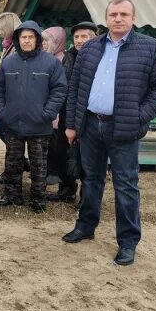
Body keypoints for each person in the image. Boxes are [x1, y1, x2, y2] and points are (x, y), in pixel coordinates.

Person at [62, 0, 156, 266]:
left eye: (124, 14)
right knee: (91, 179)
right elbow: (75, 88)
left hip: (124, 127)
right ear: (106, 18)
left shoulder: (150, 48)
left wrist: (138, 116)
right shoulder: (90, 48)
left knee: (126, 185)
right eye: (113, 14)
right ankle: (86, 225)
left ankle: (127, 242)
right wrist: (71, 124)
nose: (118, 18)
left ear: (133, 18)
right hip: (90, 125)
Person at [0, 21, 66, 213]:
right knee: (12, 162)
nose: (26, 41)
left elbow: (59, 90)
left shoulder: (50, 63)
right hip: (13, 123)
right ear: (18, 39)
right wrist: (2, 112)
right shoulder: (9, 62)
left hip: (40, 125)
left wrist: (48, 113)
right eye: (23, 37)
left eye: (30, 37)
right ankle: (12, 195)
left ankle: (38, 198)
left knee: (39, 165)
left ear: (37, 39)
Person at [47, 21, 98, 203]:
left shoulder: (100, 58)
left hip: (88, 116)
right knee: (63, 153)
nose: (79, 40)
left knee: (87, 159)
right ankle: (66, 191)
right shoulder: (68, 57)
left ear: (94, 38)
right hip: (66, 114)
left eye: (84, 36)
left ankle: (87, 198)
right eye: (76, 37)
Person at [0, 12, 22, 184]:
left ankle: (15, 168)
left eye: (1, 29)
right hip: (5, 97)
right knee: (0, 128)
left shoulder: (17, 48)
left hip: (13, 100)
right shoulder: (8, 45)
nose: (0, 33)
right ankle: (16, 165)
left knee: (1, 128)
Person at [41, 26, 68, 185]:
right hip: (46, 111)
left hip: (55, 113)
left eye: (46, 41)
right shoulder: (46, 58)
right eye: (42, 41)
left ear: (56, 42)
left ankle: (53, 172)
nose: (43, 44)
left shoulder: (60, 60)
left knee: (55, 146)